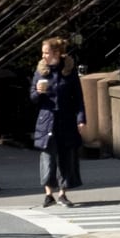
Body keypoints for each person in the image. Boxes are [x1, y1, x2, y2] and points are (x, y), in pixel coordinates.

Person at [30, 37, 86, 207]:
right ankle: (48, 194)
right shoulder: (40, 71)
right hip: (46, 120)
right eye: (43, 52)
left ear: (56, 53)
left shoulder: (69, 70)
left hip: (66, 119)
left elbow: (78, 97)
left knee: (66, 157)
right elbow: (32, 98)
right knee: (47, 157)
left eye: (46, 52)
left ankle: (62, 193)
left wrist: (81, 119)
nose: (43, 56)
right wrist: (38, 92)